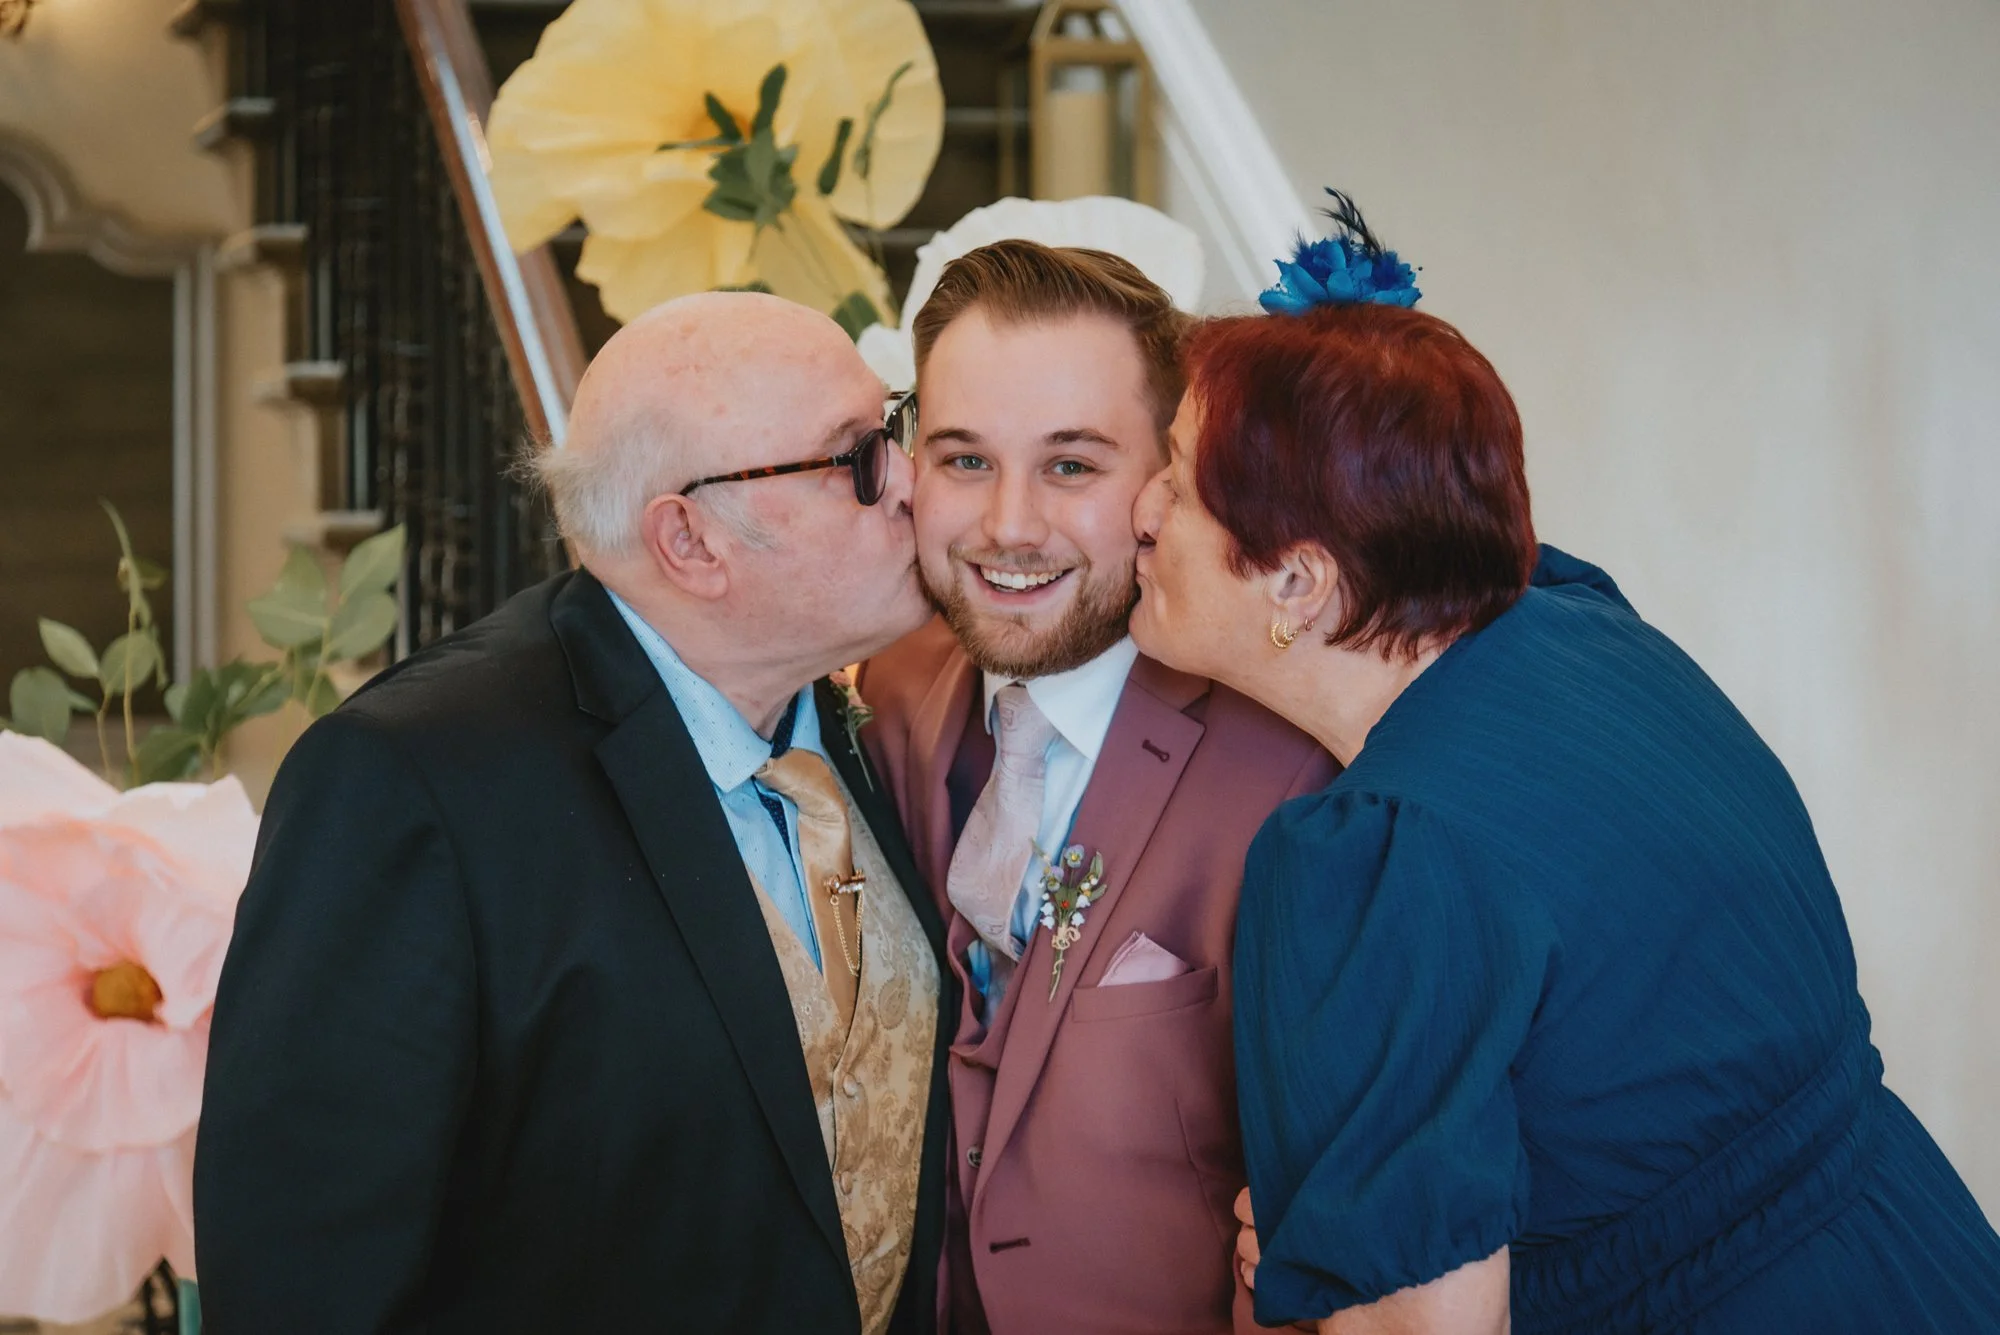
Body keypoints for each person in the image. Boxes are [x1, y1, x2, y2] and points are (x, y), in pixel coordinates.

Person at [1128, 200, 2000, 1333]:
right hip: (1912, 1257)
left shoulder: (1377, 856)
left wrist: (1325, 1280)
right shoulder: (1576, 626)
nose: (1138, 512)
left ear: (1298, 582)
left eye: (1180, 485)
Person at [194, 292, 956, 1334]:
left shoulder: (874, 718)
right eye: (856, 458)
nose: (912, 484)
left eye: (895, 426)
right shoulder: (412, 783)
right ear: (689, 542)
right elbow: (303, 1280)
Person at [857, 239, 1336, 1335]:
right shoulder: (884, 691)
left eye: (1070, 465)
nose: (1008, 526)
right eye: (963, 459)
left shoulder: (1292, 773)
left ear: (1166, 485)